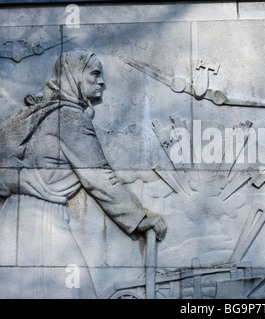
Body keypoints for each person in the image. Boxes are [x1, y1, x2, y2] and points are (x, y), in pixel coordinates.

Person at [0, 48, 167, 298]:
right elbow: (100, 178)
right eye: (94, 74)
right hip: (41, 223)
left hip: (13, 220)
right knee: (76, 291)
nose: (102, 81)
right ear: (74, 76)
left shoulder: (40, 113)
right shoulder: (69, 118)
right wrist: (139, 219)